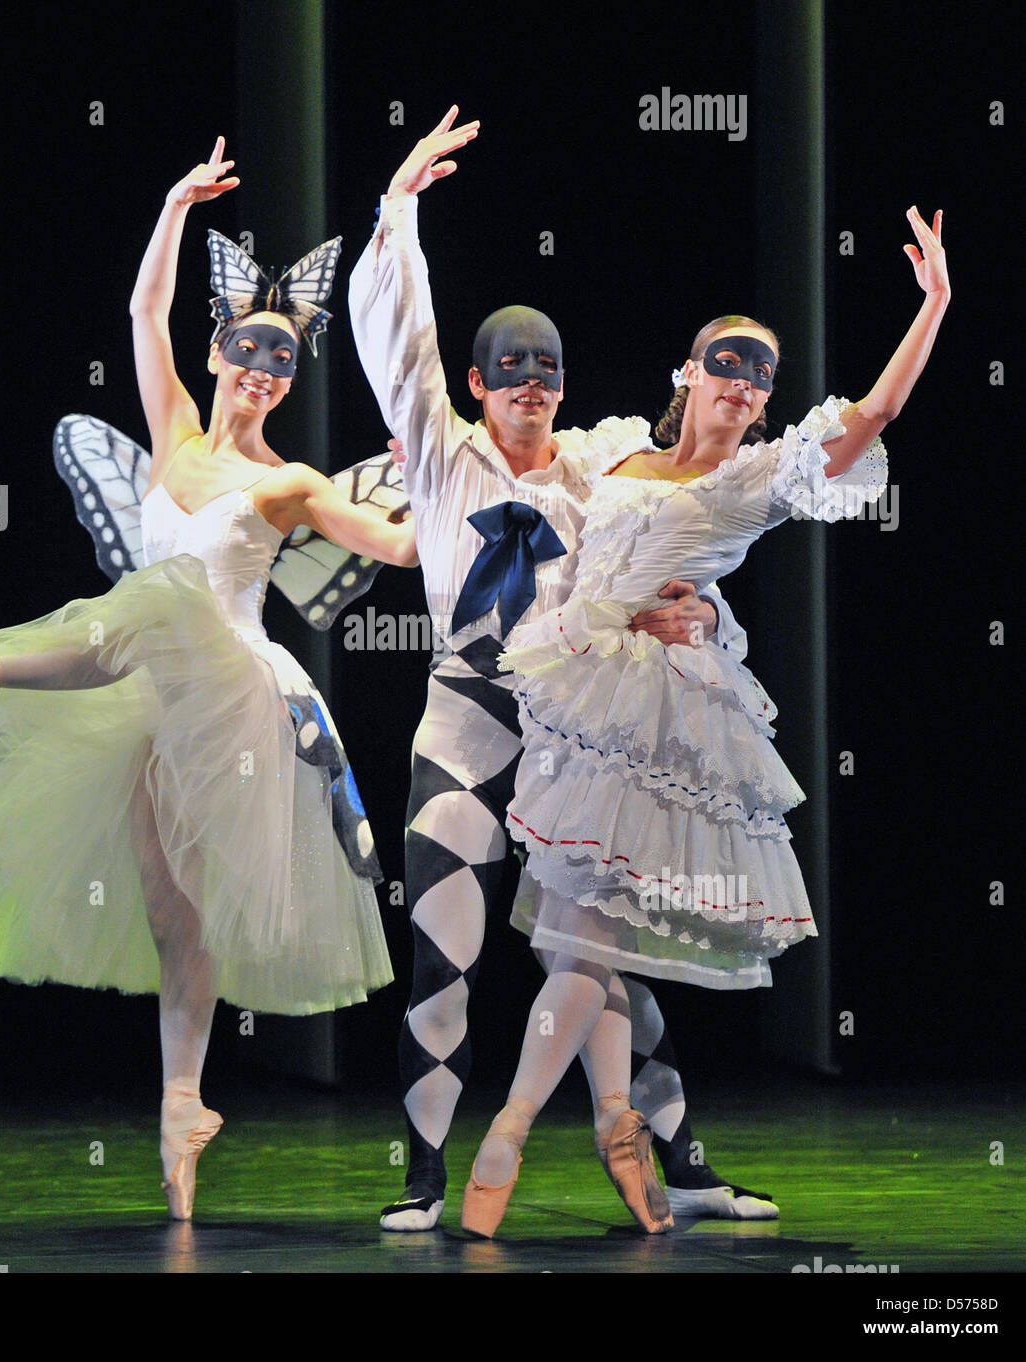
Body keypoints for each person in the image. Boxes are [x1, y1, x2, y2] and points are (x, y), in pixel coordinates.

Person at [0, 138, 415, 1220]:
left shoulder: (290, 479)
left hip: (236, 689)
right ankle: (181, 1104)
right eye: (247, 349)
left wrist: (454, 480)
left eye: (282, 360)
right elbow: (139, 315)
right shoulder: (169, 433)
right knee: (176, 916)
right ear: (219, 354)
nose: (261, 368)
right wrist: (170, 207)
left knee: (158, 616)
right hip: (151, 691)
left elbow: (392, 552)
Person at [461, 207, 949, 1237]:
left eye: (760, 373)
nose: (742, 381)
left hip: (658, 714)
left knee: (587, 937)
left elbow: (867, 419)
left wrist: (934, 303)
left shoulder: (756, 478)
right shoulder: (615, 458)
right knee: (579, 938)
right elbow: (520, 461)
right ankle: (614, 1122)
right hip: (574, 697)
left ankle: (506, 1128)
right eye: (724, 362)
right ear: (687, 373)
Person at [350, 108, 775, 1232]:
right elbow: (398, 341)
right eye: (509, 370)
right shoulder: (441, 454)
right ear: (480, 383)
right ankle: (424, 1174)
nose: (530, 385)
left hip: (567, 737)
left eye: (546, 370)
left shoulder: (598, 465)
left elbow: (667, 528)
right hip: (463, 724)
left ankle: (682, 1166)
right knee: (444, 955)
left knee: (605, 959)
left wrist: (692, 609)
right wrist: (399, 214)